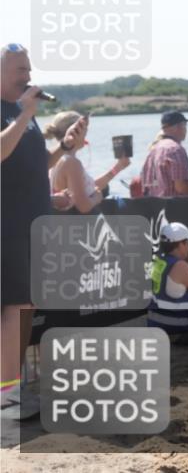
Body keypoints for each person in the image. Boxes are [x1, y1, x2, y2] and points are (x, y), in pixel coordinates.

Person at [0, 44, 80, 420]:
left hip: (32, 225)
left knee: (26, 308)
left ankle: (13, 390)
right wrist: (26, 114)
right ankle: (7, 399)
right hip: (8, 227)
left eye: (29, 69)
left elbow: (32, 162)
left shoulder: (21, 112)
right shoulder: (14, 112)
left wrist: (63, 148)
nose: (28, 77)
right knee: (13, 311)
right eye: (20, 70)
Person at [45, 111, 130, 213]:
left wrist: (118, 167)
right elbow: (83, 206)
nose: (86, 137)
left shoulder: (57, 159)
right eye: (85, 132)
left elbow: (86, 187)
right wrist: (97, 198)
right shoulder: (71, 162)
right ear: (77, 132)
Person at [140, 111, 188, 197]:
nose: (185, 129)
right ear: (177, 127)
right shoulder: (175, 149)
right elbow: (182, 187)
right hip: (175, 208)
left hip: (155, 208)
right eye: (184, 125)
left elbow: (145, 186)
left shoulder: (153, 150)